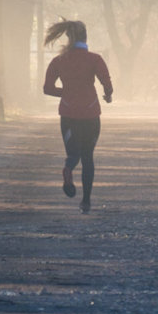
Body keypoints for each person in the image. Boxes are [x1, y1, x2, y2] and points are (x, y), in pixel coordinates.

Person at [42, 19, 112, 213]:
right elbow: (106, 82)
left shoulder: (58, 61)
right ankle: (86, 202)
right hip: (90, 113)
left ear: (68, 37)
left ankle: (68, 169)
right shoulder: (95, 59)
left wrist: (65, 93)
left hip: (68, 114)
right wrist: (108, 94)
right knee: (88, 156)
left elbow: (47, 88)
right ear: (85, 37)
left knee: (73, 154)